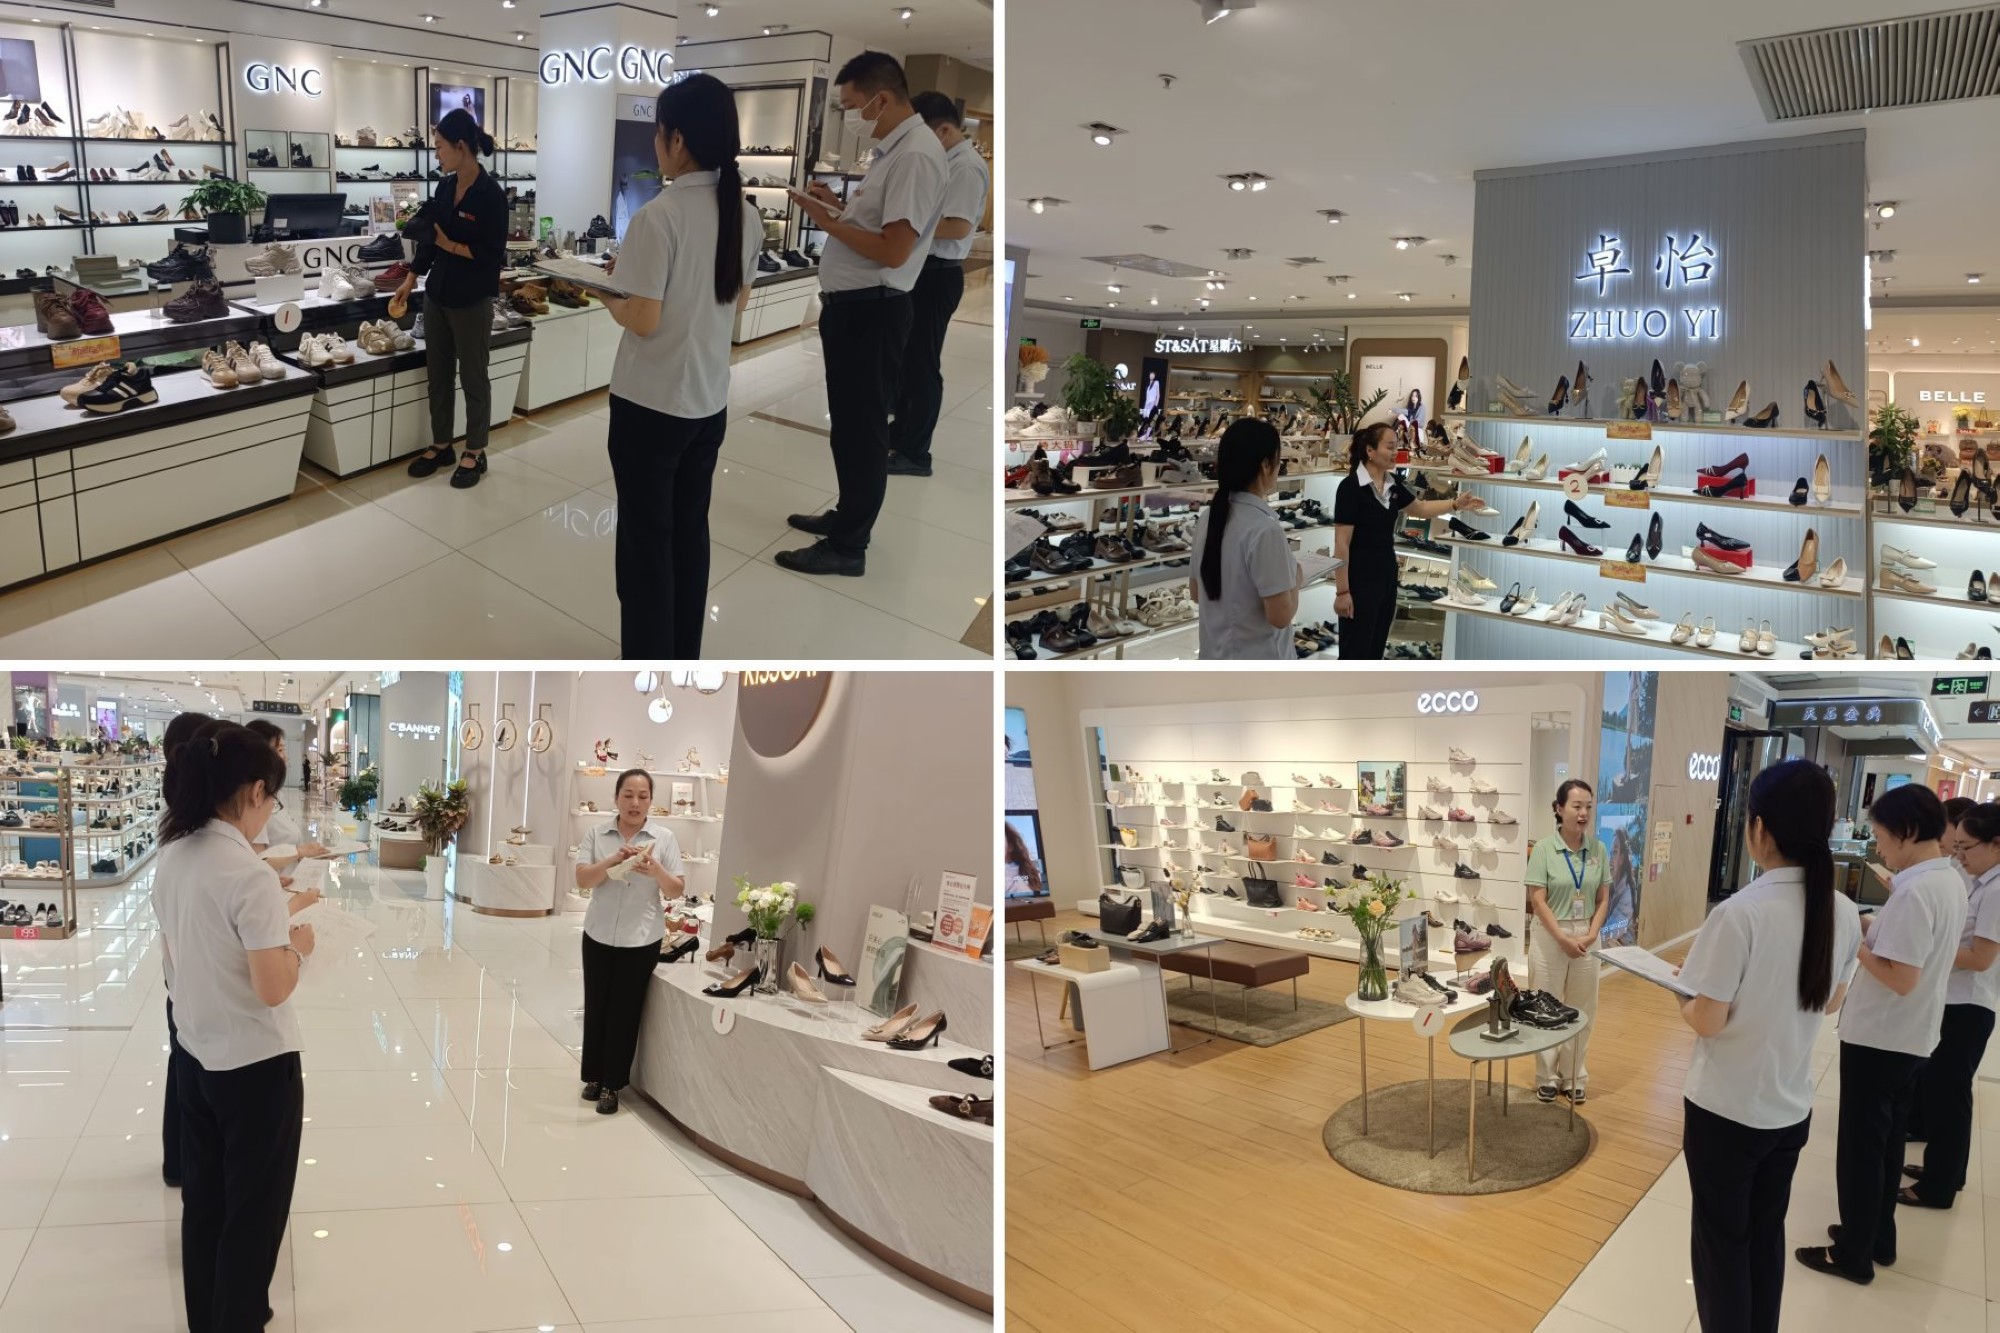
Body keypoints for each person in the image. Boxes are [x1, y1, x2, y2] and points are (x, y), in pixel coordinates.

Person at [1676, 759, 1861, 1333]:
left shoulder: (1739, 913)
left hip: (1726, 1112)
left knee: (1721, 1249)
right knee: (1763, 1236)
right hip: (1789, 1109)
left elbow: (1707, 1021)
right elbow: (1830, 1003)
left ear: (1759, 828)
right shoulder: (1844, 911)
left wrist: (1680, 993)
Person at [153, 723, 314, 1331]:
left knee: (207, 1204)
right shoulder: (248, 874)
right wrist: (298, 947)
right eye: (272, 800)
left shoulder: (175, 854)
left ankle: (209, 1318)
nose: (270, 812)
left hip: (196, 1053)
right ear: (253, 792)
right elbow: (273, 987)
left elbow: (184, 952)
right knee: (254, 1215)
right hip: (256, 1067)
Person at [596, 74, 758, 660]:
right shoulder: (745, 215)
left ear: (678, 140)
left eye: (659, 132)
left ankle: (646, 658)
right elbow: (736, 304)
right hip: (708, 402)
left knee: (645, 545)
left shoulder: (658, 217)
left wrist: (605, 292)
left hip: (649, 404)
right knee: (690, 534)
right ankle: (682, 652)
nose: (656, 143)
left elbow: (642, 318)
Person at [778, 51, 947, 577]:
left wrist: (828, 223)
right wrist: (836, 208)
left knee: (863, 430)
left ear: (882, 98)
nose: (850, 116)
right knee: (850, 427)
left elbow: (894, 249)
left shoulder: (915, 155)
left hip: (872, 311)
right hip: (858, 309)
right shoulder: (896, 151)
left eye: (852, 106)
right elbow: (878, 227)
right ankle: (848, 515)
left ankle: (849, 546)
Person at [1797, 782, 1963, 1284]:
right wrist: (1871, 927)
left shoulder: (1916, 892)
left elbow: (1900, 977)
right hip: (1911, 1037)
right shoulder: (1946, 880)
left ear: (1907, 832)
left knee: (1862, 1151)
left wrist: (1854, 940)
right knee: (1887, 1146)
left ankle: (1853, 1252)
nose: (1879, 848)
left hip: (1882, 1039)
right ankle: (1876, 1237)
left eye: (1882, 836)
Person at [396, 107, 509, 490]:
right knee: (438, 375)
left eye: (440, 146)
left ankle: (475, 450)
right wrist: (410, 278)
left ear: (461, 147)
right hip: (438, 294)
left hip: (472, 298)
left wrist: (452, 246)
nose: (437, 154)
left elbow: (491, 255)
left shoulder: (491, 197)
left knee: (474, 377)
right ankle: (442, 444)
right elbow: (431, 238)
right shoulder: (445, 188)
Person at [1900, 801, 2000, 1211]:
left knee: (1949, 1097)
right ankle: (1943, 1171)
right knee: (1942, 1092)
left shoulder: (1996, 891)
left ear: (1996, 844)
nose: (1958, 856)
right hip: (1954, 999)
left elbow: (1981, 958)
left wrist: (1931, 944)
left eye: (1965, 847)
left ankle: (1938, 1187)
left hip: (1969, 1006)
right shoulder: (1981, 882)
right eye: (1954, 847)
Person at [885, 91, 989, 478]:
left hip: (937, 272)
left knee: (922, 364)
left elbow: (958, 226)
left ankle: (916, 453)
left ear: (944, 130)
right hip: (924, 269)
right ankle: (902, 433)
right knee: (908, 360)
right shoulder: (945, 161)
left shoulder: (966, 167)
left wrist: (907, 226)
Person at [573, 768, 685, 1115]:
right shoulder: (597, 833)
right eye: (628, 795)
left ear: (651, 800)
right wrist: (613, 860)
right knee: (596, 1006)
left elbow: (676, 890)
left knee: (624, 1011)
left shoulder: (664, 838)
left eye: (643, 796)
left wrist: (656, 870)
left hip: (641, 938)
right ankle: (593, 1077)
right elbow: (583, 880)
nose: (635, 803)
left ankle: (613, 1084)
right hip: (599, 932)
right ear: (616, 797)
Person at [1331, 421, 1484, 659]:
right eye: (1390, 446)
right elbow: (1342, 543)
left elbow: (1420, 508)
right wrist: (1342, 592)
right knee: (1355, 653)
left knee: (1375, 649)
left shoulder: (1392, 484)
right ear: (1370, 450)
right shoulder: (1350, 488)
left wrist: (1455, 504)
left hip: (1386, 576)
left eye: (1397, 446)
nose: (1396, 452)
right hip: (1360, 581)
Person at [1522, 778, 1609, 1104]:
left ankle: (1574, 1076)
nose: (1583, 813)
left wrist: (1592, 934)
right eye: (1576, 806)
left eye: (1588, 806)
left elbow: (1603, 898)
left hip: (1587, 934)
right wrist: (1561, 938)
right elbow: (1537, 899)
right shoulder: (1544, 849)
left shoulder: (1598, 849)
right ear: (1559, 809)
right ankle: (1546, 1076)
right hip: (1550, 934)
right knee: (1545, 1006)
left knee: (1583, 1008)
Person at [1185, 418, 1299, 660]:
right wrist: (1296, 579)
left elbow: (1196, 593)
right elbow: (1280, 616)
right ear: (1266, 465)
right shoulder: (1265, 530)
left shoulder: (1207, 519)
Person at [156, 709, 211, 1190]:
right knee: (187, 1062)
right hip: (188, 969)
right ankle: (183, 1162)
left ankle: (178, 1161)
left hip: (181, 967)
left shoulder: (177, 820)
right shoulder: (187, 827)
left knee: (182, 1060)